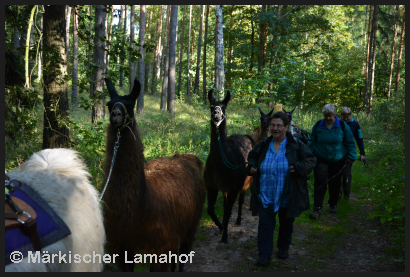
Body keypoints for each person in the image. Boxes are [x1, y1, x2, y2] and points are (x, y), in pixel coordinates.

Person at [246, 112, 316, 267]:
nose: (275, 128)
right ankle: (264, 255)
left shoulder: (295, 145)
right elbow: (251, 157)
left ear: (286, 127)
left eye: (279, 125)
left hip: (288, 194)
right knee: (265, 225)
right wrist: (250, 166)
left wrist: (299, 168)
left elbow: (311, 160)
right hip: (266, 194)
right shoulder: (263, 145)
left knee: (286, 224)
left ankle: (283, 248)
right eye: (272, 125)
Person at [307, 104, 357, 219]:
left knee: (335, 183)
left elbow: (350, 142)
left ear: (335, 115)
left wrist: (351, 157)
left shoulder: (343, 126)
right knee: (320, 182)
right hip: (321, 157)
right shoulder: (318, 125)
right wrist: (309, 155)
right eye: (326, 116)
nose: (328, 118)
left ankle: (333, 203)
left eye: (330, 116)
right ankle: (317, 208)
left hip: (338, 159)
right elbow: (312, 141)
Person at [339, 107, 365, 200]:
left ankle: (346, 193)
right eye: (344, 117)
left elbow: (359, 139)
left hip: (349, 152)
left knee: (346, 173)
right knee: (337, 173)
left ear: (351, 115)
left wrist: (362, 153)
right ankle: (337, 194)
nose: (346, 119)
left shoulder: (355, 124)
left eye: (347, 117)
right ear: (341, 115)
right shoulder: (337, 123)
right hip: (338, 152)